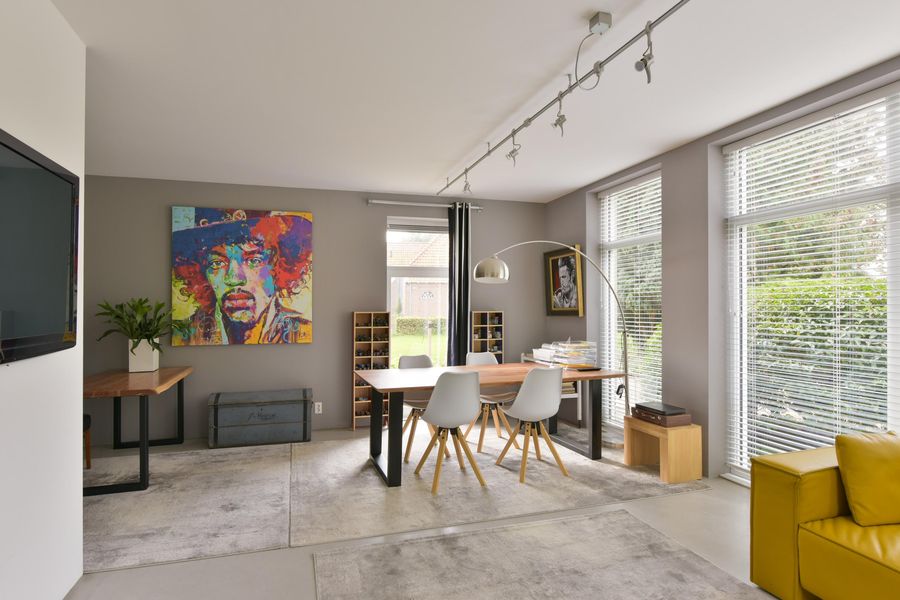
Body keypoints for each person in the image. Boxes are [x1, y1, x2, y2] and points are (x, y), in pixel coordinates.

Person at [172, 207, 312, 345]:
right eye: (217, 263)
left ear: (278, 266)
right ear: (201, 273)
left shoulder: (304, 334)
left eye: (254, 261)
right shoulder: (181, 337)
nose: (234, 279)